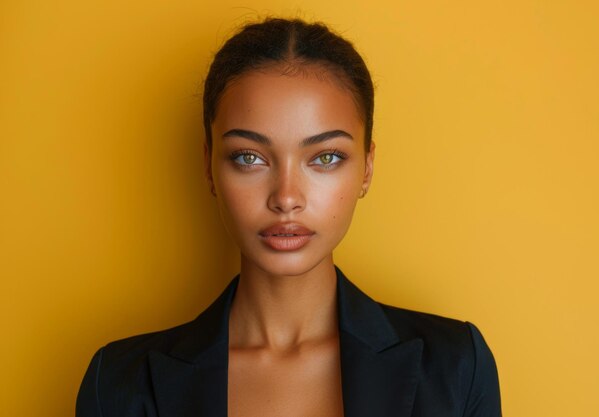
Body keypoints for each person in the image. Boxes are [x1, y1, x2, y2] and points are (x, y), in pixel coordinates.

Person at [76, 17, 502, 417]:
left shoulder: (455, 368)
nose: (286, 197)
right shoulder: (118, 385)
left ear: (367, 168)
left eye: (326, 157)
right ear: (209, 166)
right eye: (249, 157)